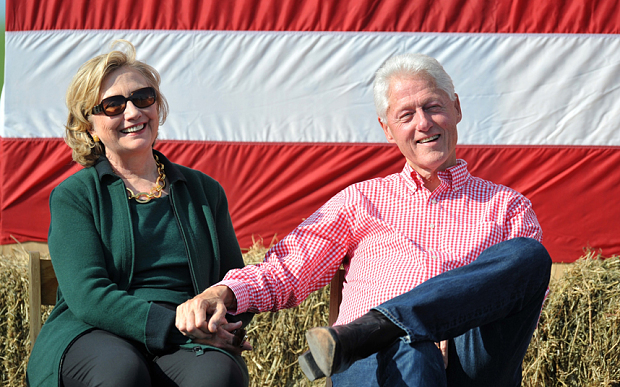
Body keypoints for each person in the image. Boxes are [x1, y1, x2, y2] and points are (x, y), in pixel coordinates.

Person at [175, 53, 552, 386]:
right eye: (406, 115)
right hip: (376, 362)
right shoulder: (361, 200)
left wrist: (439, 325)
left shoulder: (508, 206)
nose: (423, 123)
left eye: (433, 106)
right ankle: (387, 332)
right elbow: (288, 268)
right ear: (387, 129)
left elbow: (523, 307)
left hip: (471, 365)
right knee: (412, 350)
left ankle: (378, 325)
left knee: (529, 255)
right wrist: (220, 292)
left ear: (456, 108)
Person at [26, 40, 252, 387]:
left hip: (191, 338)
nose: (132, 113)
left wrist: (219, 316)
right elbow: (88, 295)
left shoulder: (205, 191)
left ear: (157, 106)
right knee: (121, 374)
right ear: (89, 124)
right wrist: (173, 326)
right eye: (113, 106)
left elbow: (235, 282)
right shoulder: (75, 195)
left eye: (143, 98)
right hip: (94, 332)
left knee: (216, 376)